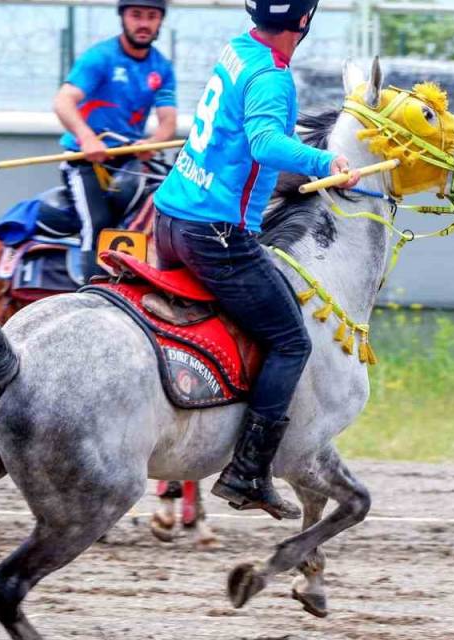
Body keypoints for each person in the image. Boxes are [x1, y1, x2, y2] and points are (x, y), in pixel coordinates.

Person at [150, 0, 360, 519]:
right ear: (305, 22)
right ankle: (246, 471)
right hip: (213, 235)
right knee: (291, 340)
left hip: (170, 220)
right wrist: (325, 160)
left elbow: (241, 140)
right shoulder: (272, 76)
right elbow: (266, 143)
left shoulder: (238, 49)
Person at [52, 0, 177, 280]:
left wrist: (153, 142)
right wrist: (86, 138)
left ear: (160, 21)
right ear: (123, 18)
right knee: (96, 224)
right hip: (84, 161)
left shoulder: (162, 67)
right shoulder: (100, 57)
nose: (143, 23)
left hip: (129, 162)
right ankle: (88, 293)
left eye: (151, 16)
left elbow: (168, 122)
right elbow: (63, 101)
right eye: (136, 15)